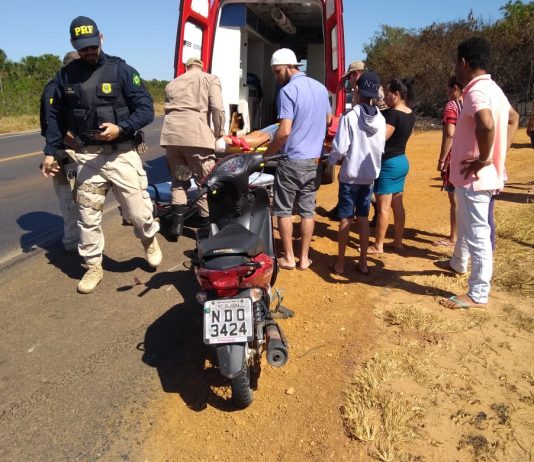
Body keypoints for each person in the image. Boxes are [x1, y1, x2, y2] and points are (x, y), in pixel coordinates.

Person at [41, 16, 161, 294]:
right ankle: (93, 265)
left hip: (122, 155)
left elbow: (146, 110)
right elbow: (54, 117)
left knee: (139, 213)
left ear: (101, 39)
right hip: (87, 158)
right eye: (83, 48)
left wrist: (122, 128)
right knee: (87, 217)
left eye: (93, 46)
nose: (89, 51)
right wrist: (51, 152)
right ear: (74, 45)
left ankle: (148, 239)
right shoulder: (65, 77)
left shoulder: (121, 70)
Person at [437, 37, 519, 310]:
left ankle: (478, 293)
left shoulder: (475, 91)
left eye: (456, 63)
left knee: (477, 233)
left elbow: (486, 124)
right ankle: (457, 263)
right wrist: (499, 153)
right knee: (466, 224)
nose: (455, 69)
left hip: (475, 178)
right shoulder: (493, 88)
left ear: (463, 62)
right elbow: (513, 118)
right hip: (475, 177)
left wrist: (484, 159)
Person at [264, 48, 332, 271]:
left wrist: (268, 153)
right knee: (307, 211)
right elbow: (329, 119)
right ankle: (304, 259)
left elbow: (284, 131)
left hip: (292, 160)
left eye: (277, 71)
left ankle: (290, 258)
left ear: (289, 66)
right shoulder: (320, 88)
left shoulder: (287, 91)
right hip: (314, 161)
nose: (276, 77)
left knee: (283, 210)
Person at [160, 57, 225, 235]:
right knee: (205, 182)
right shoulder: (210, 79)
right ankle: (206, 225)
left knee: (179, 180)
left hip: (172, 138)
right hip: (196, 136)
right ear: (202, 67)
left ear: (186, 67)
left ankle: (176, 227)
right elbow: (217, 108)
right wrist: (219, 133)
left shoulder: (172, 83)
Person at [328, 72, 386, 276]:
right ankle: (363, 262)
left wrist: (331, 160)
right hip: (369, 177)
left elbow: (340, 148)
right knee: (363, 218)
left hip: (350, 176)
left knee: (345, 219)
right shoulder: (381, 119)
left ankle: (340, 264)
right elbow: (381, 148)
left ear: (357, 90)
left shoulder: (350, 117)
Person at [368, 78, 416, 254]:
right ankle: (398, 241)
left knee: (383, 207)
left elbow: (381, 138)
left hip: (389, 163)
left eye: (387, 93)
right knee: (397, 204)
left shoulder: (393, 115)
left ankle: (378, 245)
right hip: (401, 160)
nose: (384, 96)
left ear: (396, 94)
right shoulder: (410, 113)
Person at [39, 51, 80, 253]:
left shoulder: (69, 87)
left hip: (74, 151)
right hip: (65, 153)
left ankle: (80, 238)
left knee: (81, 199)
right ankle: (72, 241)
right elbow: (53, 127)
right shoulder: (54, 89)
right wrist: (80, 145)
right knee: (69, 200)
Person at [328, 60, 366, 221]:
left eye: (349, 77)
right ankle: (343, 207)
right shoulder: (360, 90)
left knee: (356, 179)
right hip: (358, 140)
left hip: (363, 142)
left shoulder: (368, 91)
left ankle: (347, 211)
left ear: (355, 74)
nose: (348, 81)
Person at [434, 75, 464, 247]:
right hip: (469, 156)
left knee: (454, 201)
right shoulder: (471, 104)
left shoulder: (451, 106)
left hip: (454, 158)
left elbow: (450, 135)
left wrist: (442, 159)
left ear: (455, 88)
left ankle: (454, 237)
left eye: (448, 89)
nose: (446, 92)